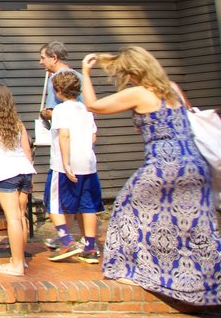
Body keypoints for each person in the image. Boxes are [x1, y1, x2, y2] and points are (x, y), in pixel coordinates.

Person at [81, 46, 221, 306]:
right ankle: (205, 287)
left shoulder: (138, 92)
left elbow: (93, 105)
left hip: (165, 165)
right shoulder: (172, 88)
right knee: (194, 226)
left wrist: (86, 73)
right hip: (195, 165)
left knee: (126, 209)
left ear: (133, 71)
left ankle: (132, 271)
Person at [0, 84, 37, 277]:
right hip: (24, 170)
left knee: (12, 219)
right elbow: (27, 150)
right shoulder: (17, 122)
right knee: (21, 216)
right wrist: (30, 173)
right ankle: (20, 259)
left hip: (5, 173)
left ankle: (17, 264)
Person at [44, 71, 103, 263]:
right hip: (88, 164)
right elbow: (94, 137)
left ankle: (67, 240)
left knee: (53, 203)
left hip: (63, 166)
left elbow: (65, 135)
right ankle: (91, 248)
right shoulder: (87, 109)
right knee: (88, 206)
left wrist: (67, 163)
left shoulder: (60, 110)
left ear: (59, 91)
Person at [38, 41, 82, 123]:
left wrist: (43, 113)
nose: (40, 62)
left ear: (54, 58)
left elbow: (51, 112)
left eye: (43, 58)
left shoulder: (55, 79)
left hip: (65, 131)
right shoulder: (80, 77)